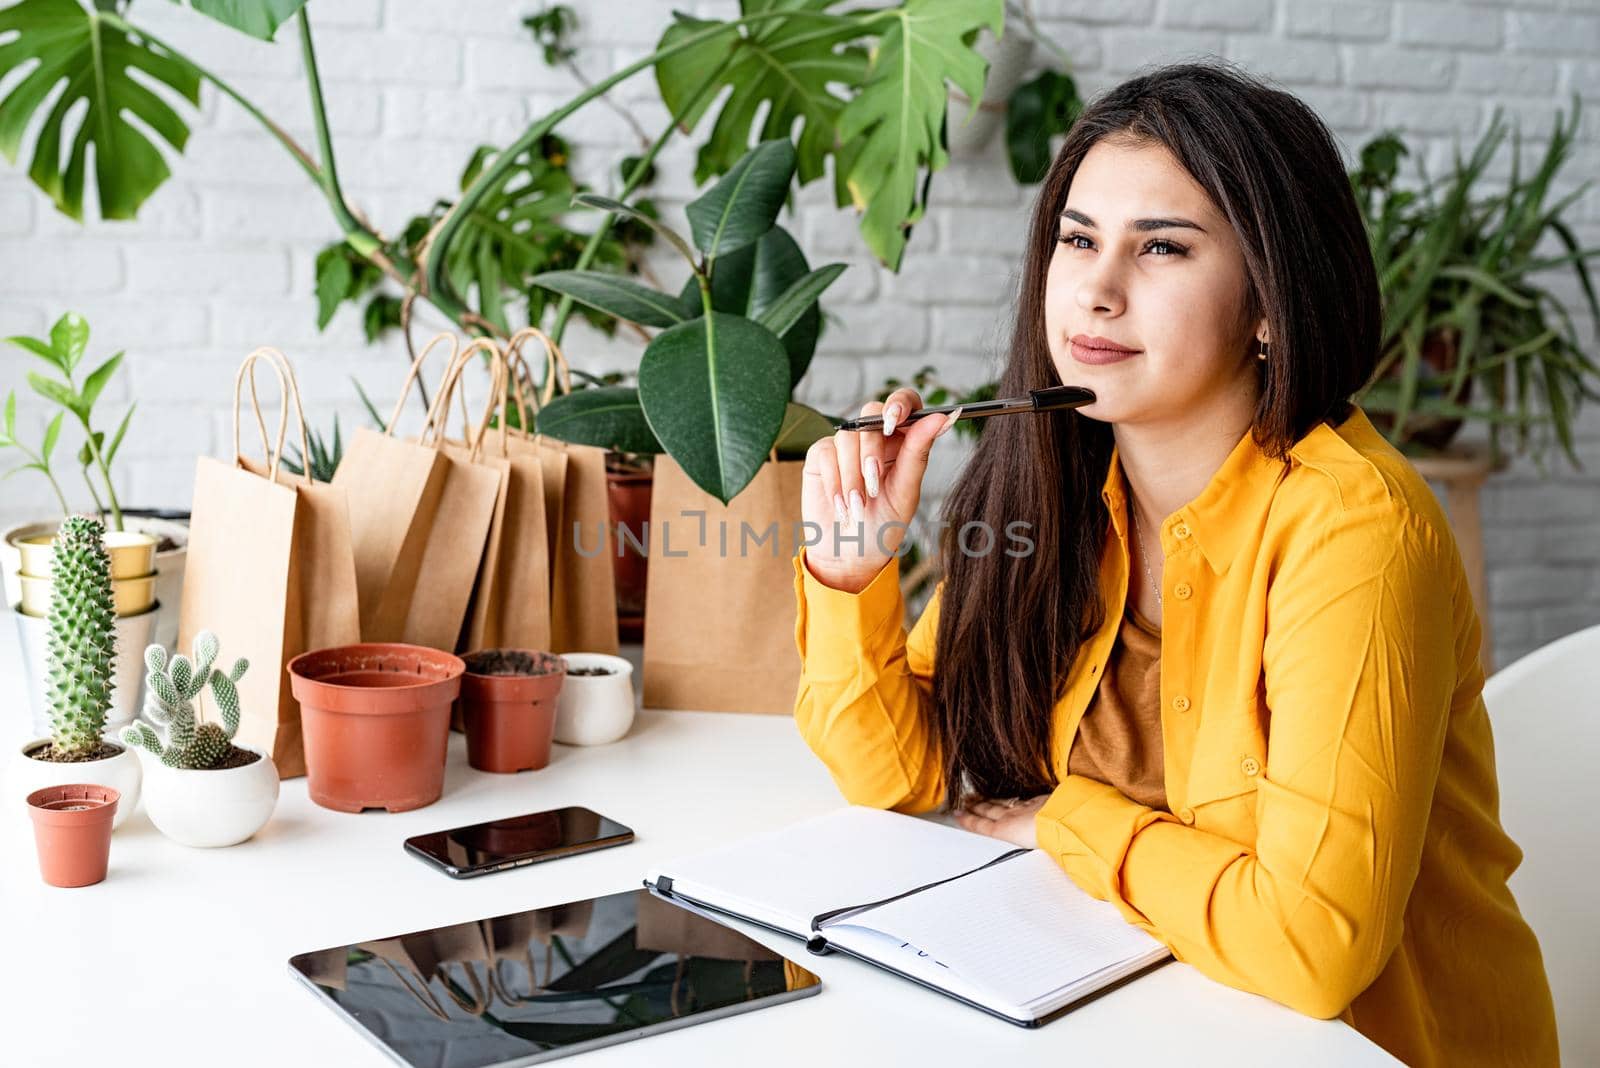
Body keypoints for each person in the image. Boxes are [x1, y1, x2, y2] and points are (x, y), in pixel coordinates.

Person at [794, 61, 1558, 1066]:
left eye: (1160, 247)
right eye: (1077, 239)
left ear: (1268, 304)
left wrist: (1066, 820)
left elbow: (1310, 947)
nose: (1097, 291)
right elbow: (908, 784)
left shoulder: (1355, 532)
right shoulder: (1049, 488)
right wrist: (854, 573)